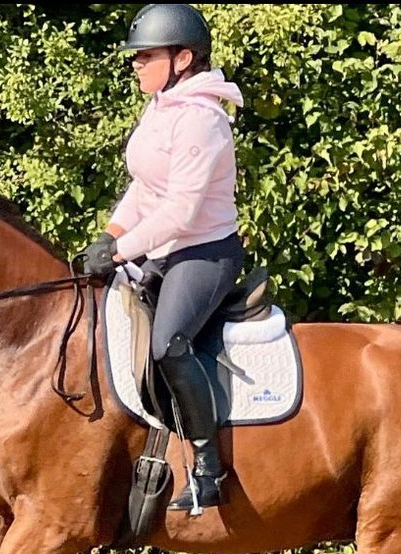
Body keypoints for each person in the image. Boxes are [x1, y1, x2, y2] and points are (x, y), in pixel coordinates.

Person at [81, 3, 244, 513]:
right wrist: (110, 235)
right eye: (137, 56)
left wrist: (122, 251)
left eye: (146, 55)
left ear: (183, 57)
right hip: (161, 248)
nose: (136, 63)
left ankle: (207, 469)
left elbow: (180, 211)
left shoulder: (201, 120)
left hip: (204, 253)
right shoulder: (163, 107)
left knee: (168, 345)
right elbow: (145, 188)